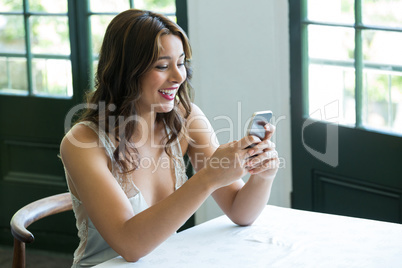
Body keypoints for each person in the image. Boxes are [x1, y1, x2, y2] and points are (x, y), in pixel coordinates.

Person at [60, 9, 279, 267]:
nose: (178, 77)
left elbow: (240, 212)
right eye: (162, 66)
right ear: (126, 71)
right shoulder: (82, 142)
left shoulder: (186, 118)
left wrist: (263, 175)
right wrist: (208, 178)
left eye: (181, 62)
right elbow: (129, 245)